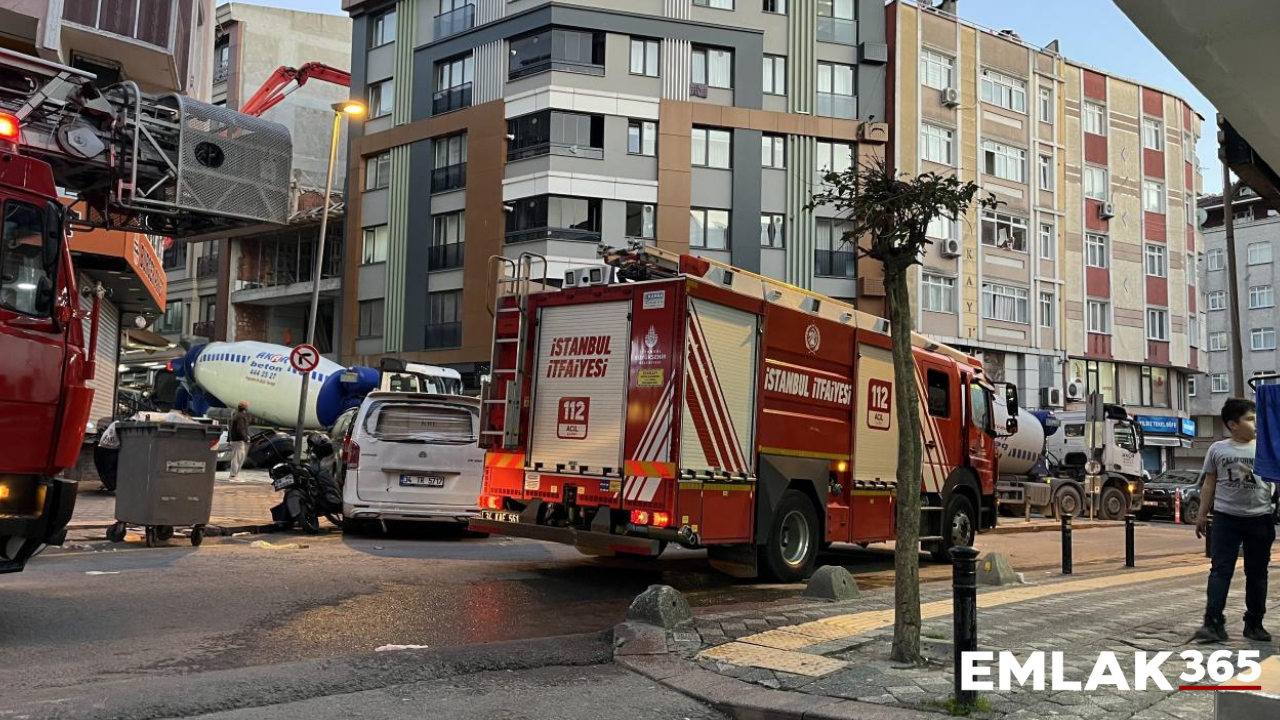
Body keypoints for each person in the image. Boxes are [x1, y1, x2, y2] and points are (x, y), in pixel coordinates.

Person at [1193, 398, 1276, 643]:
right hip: (1225, 519)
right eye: (1249, 419)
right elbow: (1209, 483)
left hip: (1260, 518)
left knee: (1257, 573)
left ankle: (1254, 623)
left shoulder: (1266, 448)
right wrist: (1201, 514)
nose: (1255, 423)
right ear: (1233, 424)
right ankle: (1212, 623)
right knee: (1220, 571)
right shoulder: (1218, 449)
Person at [229, 401, 250, 482]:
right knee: (238, 458)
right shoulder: (240, 416)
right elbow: (240, 429)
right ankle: (233, 476)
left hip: (236, 439)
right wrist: (246, 438)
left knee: (238, 457)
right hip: (239, 440)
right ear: (245, 408)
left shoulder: (236, 415)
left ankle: (235, 474)